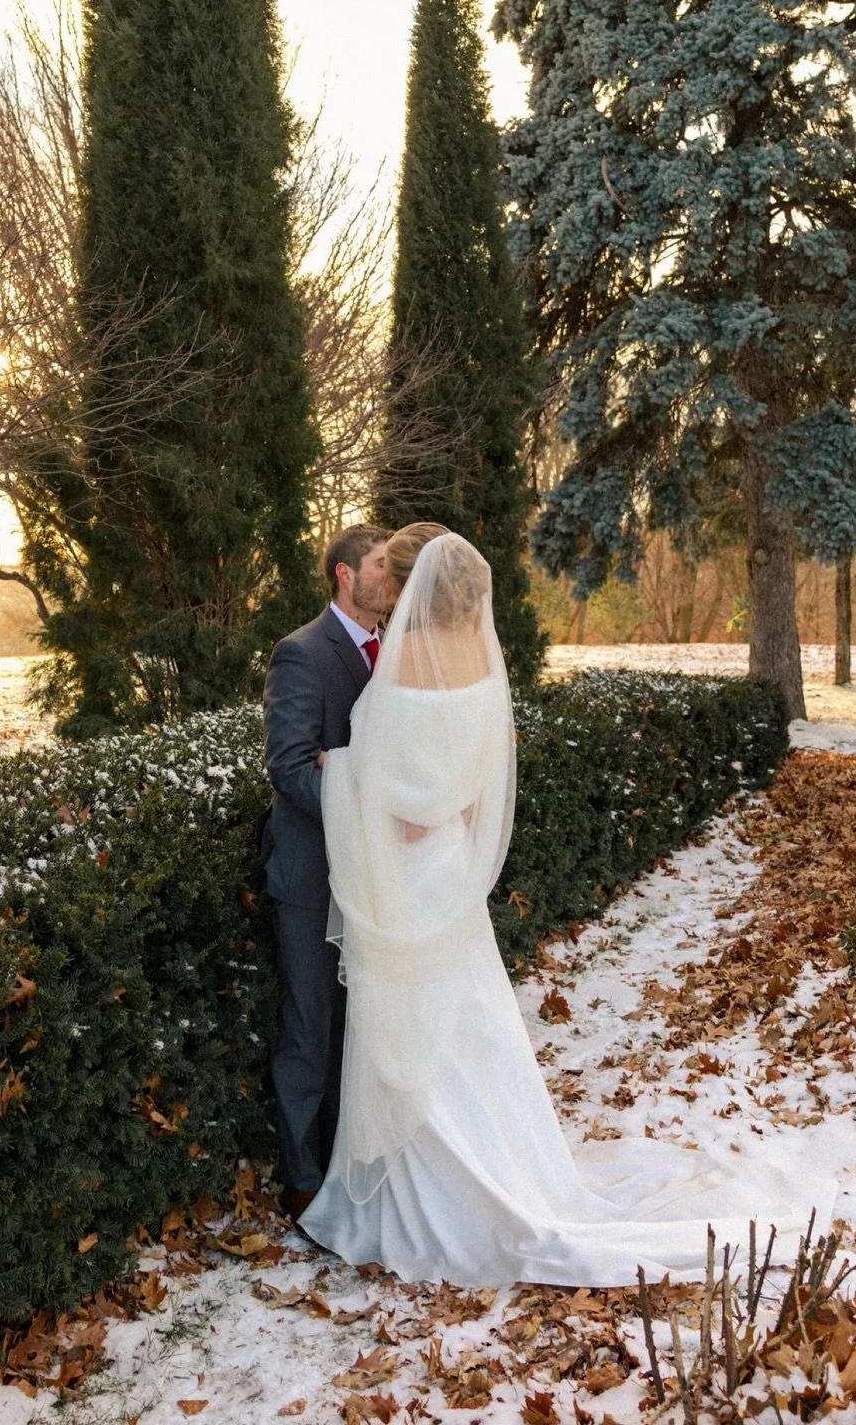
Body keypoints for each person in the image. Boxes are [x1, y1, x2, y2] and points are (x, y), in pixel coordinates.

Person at [299, 522, 823, 1287]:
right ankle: (506, 1162)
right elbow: (469, 782)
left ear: (410, 588)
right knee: (465, 1021)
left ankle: (433, 1195)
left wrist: (337, 768)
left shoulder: (407, 659)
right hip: (449, 866)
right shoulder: (480, 655)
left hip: (410, 872)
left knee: (416, 1028)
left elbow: (402, 805)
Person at [261, 523, 391, 1224]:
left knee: (361, 1032)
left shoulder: (398, 653)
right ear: (345, 573)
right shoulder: (302, 652)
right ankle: (303, 1182)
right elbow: (288, 765)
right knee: (310, 1031)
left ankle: (350, 1166)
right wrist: (365, 814)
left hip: (378, 881)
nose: (392, 577)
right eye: (382, 564)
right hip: (313, 877)